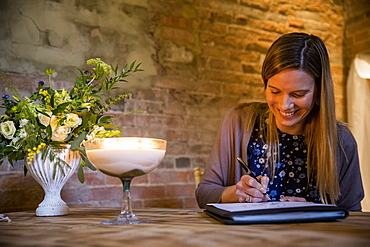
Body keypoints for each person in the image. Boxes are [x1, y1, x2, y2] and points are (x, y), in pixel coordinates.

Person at [195, 32, 364, 211]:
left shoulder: (341, 140)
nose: (285, 105)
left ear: (319, 92)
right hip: (247, 238)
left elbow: (353, 215)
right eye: (275, 91)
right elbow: (203, 194)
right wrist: (236, 194)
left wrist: (317, 209)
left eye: (298, 94)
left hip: (313, 238)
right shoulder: (239, 120)